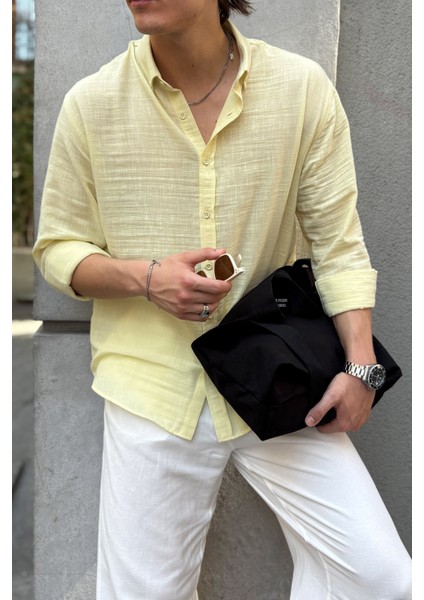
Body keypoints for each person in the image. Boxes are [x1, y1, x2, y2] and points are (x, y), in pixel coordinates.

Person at [32, 1, 412, 598]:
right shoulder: (93, 102)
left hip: (277, 379)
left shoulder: (301, 89)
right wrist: (146, 278)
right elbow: (58, 248)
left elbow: (338, 245)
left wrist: (361, 366)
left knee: (378, 577)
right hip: (153, 390)